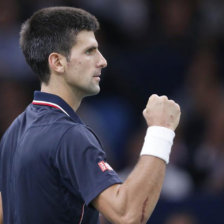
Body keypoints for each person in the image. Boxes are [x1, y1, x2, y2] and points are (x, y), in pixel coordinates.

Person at [0, 6, 181, 224]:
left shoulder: (13, 132)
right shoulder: (69, 135)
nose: (102, 61)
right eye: (89, 51)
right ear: (57, 62)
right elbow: (128, 214)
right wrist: (160, 131)